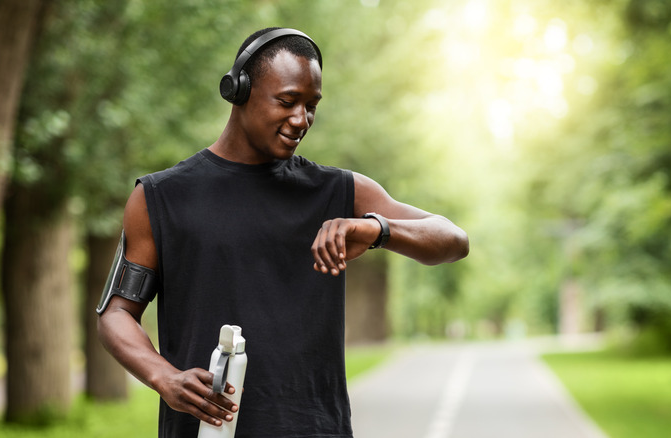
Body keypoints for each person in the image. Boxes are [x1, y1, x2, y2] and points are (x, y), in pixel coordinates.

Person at [97, 27, 469, 437]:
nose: (301, 119)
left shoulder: (340, 191)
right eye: (288, 101)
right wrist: (163, 377)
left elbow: (452, 239)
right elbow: (116, 313)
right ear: (239, 90)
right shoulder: (160, 197)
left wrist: (378, 229)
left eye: (312, 105)